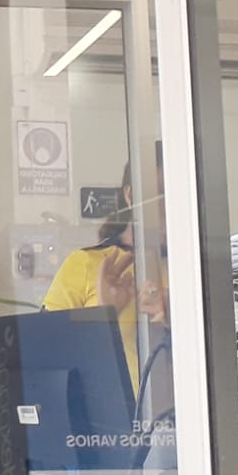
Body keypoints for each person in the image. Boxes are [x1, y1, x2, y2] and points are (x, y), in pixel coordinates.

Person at [42, 156, 168, 395]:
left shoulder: (194, 271)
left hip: (186, 412)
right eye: (160, 192)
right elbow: (47, 360)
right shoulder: (87, 263)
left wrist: (171, 319)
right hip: (110, 414)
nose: (168, 202)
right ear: (131, 196)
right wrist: (103, 316)